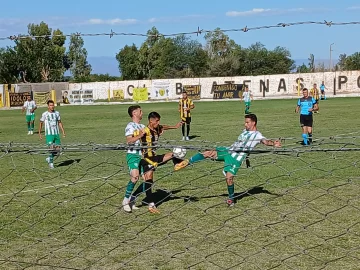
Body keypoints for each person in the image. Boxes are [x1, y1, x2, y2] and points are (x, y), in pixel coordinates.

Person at [174, 114, 281, 207]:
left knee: (229, 178)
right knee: (208, 152)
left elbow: (265, 141)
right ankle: (186, 162)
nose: (245, 124)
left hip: (236, 159)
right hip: (228, 151)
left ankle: (231, 198)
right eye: (245, 122)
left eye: (247, 122)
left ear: (254, 123)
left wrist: (273, 143)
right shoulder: (244, 131)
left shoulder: (257, 135)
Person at [131, 111, 183, 213]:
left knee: (174, 154)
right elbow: (132, 137)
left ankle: (177, 164)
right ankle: (151, 205)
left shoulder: (157, 128)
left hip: (154, 158)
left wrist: (175, 127)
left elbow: (164, 127)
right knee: (149, 180)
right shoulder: (145, 130)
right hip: (146, 159)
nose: (158, 123)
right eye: (157, 121)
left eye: (159, 121)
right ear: (151, 121)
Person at [123, 105, 146, 213]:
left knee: (148, 181)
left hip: (142, 155)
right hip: (132, 155)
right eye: (140, 111)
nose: (142, 112)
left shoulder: (142, 126)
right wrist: (139, 136)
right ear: (134, 113)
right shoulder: (130, 126)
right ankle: (126, 200)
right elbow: (129, 141)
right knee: (135, 177)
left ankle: (132, 198)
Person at [39, 100, 66, 169]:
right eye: (50, 105)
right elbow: (41, 123)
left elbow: (59, 122)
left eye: (53, 105)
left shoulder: (57, 113)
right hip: (49, 134)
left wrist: (63, 131)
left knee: (58, 150)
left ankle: (49, 158)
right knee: (51, 149)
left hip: (56, 133)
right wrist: (39, 133)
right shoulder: (45, 114)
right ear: (48, 106)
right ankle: (51, 163)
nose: (52, 106)